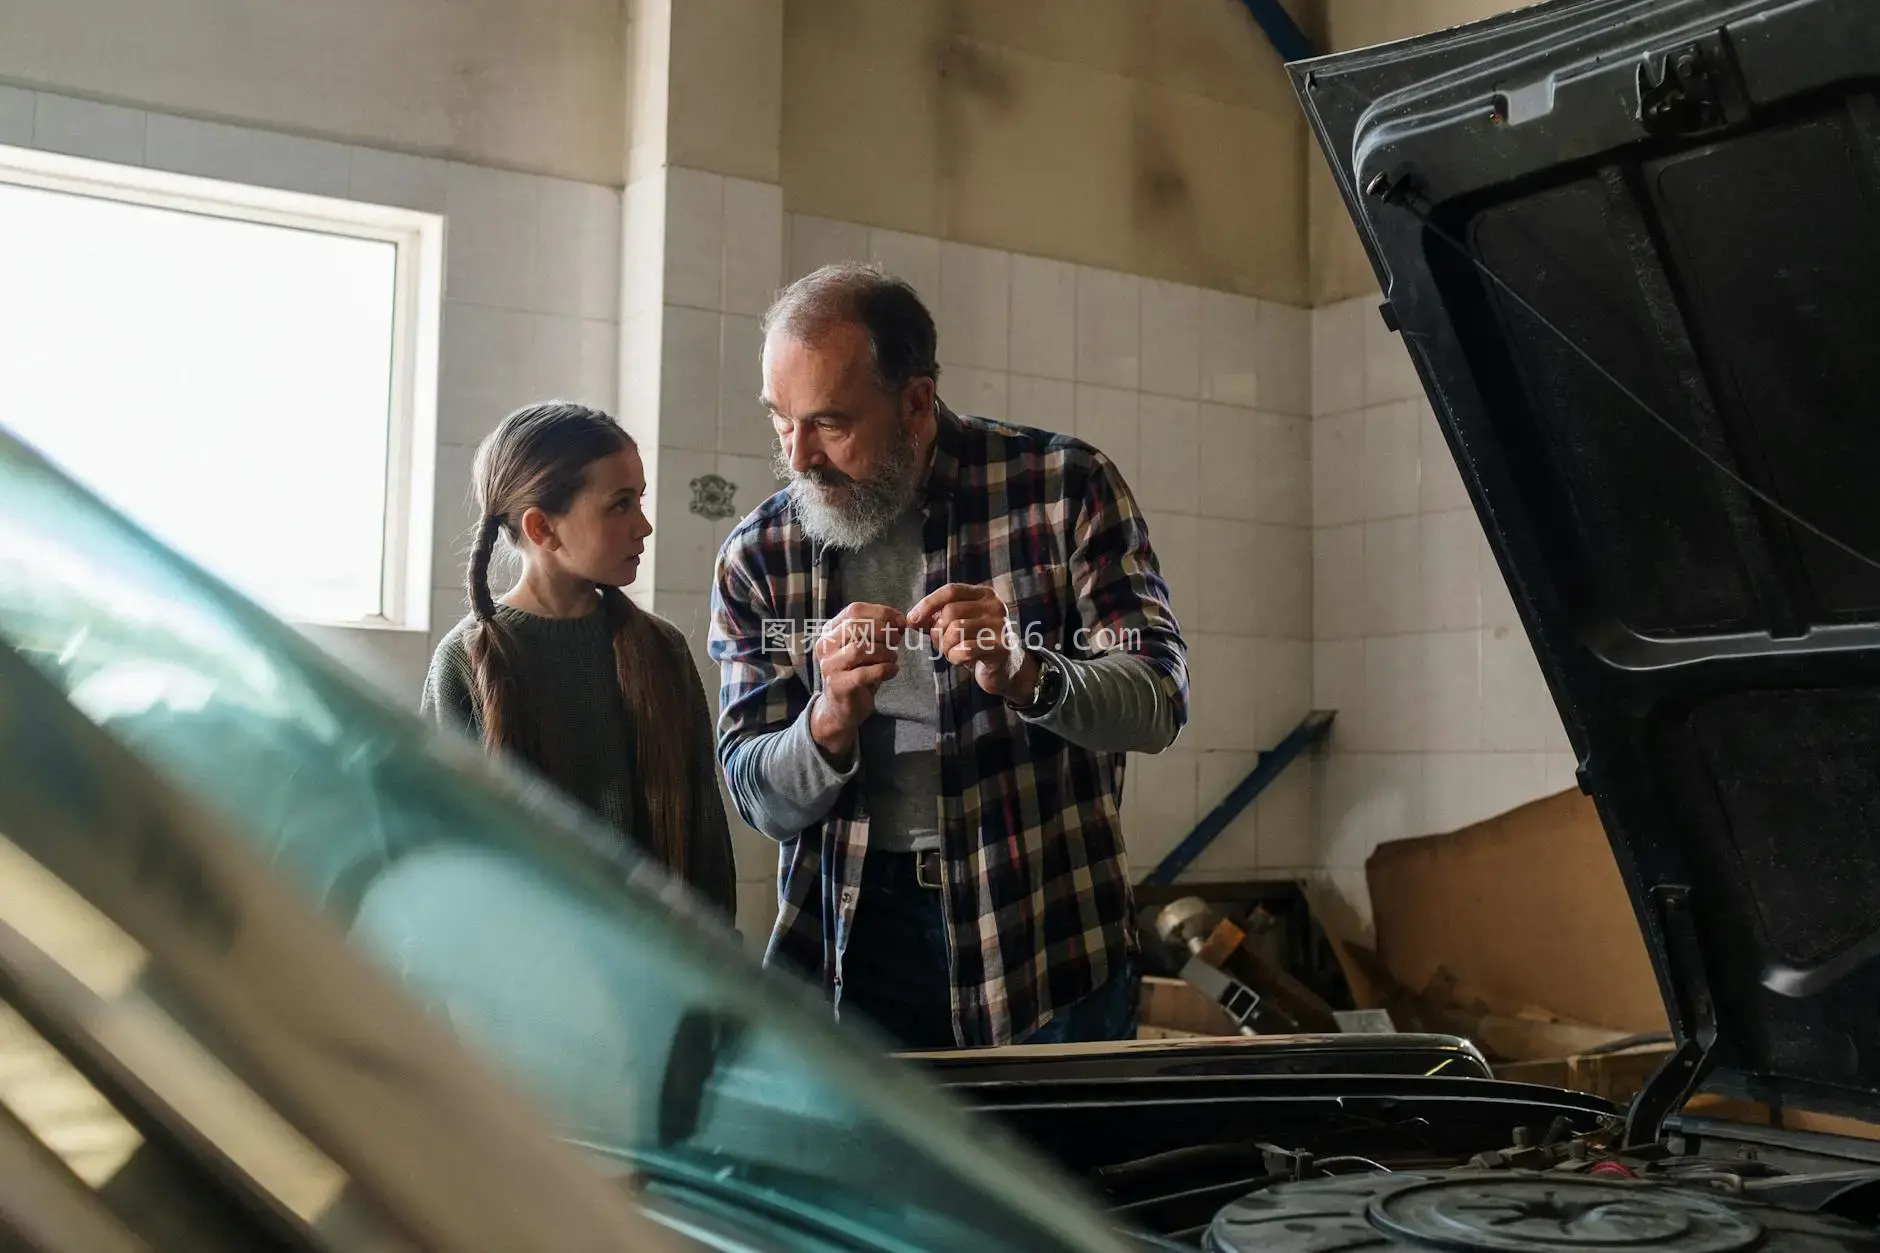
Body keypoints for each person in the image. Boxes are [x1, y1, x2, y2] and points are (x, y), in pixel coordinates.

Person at [709, 263, 1188, 1049]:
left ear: (917, 402)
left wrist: (1030, 675)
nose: (799, 458)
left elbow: (1159, 701)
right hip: (854, 948)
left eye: (830, 422)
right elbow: (755, 794)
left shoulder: (1064, 489)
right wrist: (824, 723)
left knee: (1066, 1175)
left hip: (1046, 934)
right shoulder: (759, 555)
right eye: (779, 420)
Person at [423, 401, 736, 919]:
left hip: (657, 980)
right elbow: (443, 849)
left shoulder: (662, 651)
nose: (645, 526)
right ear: (542, 528)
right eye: (619, 505)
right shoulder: (467, 660)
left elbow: (705, 843)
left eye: (640, 500)